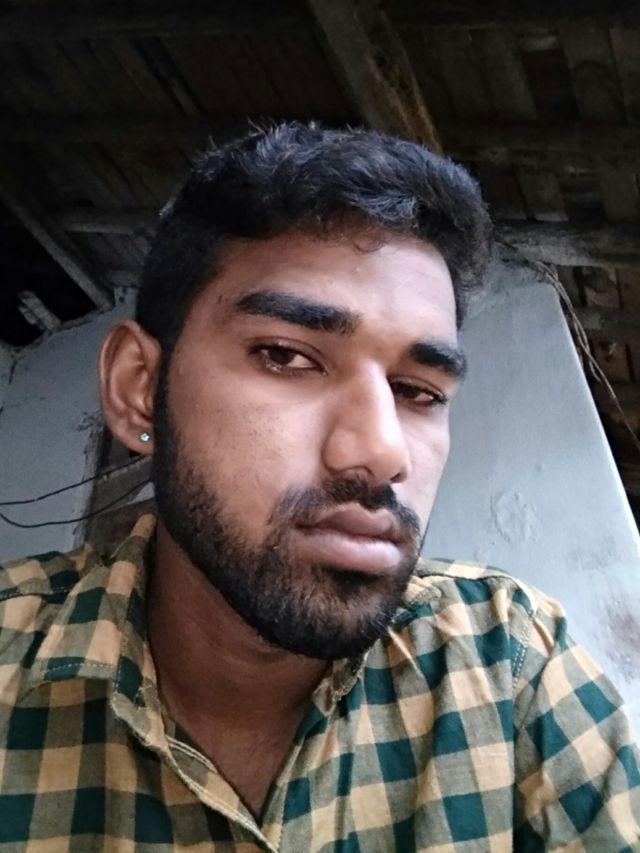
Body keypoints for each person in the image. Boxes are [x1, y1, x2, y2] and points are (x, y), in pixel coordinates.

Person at [0, 122, 638, 852]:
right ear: (139, 388)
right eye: (286, 356)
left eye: (420, 391)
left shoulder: (511, 663)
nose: (382, 451)